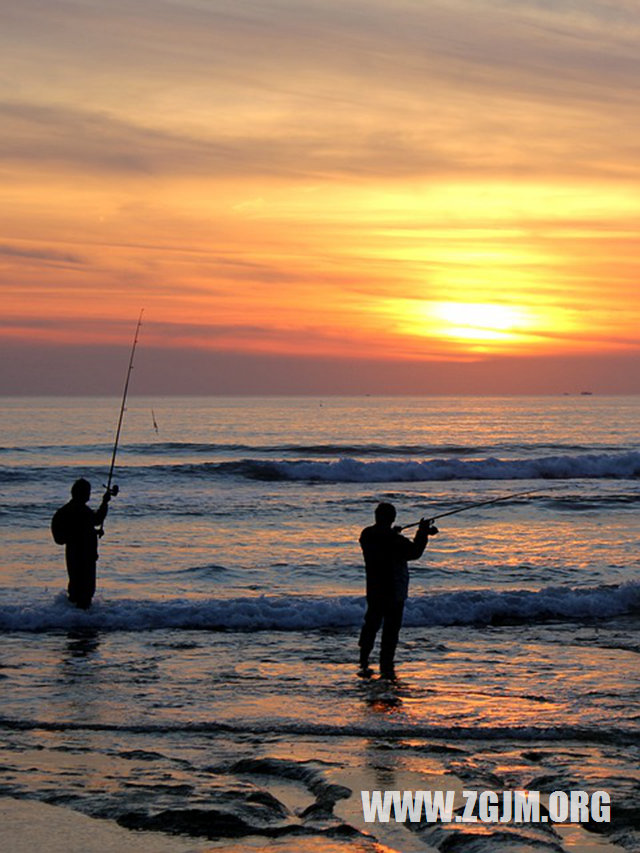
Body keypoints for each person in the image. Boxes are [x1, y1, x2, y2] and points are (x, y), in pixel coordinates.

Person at [358, 502, 436, 677]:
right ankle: (386, 664)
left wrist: (393, 532)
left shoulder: (367, 534)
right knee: (391, 631)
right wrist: (422, 532)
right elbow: (415, 552)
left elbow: (381, 539)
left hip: (374, 589)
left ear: (376, 517)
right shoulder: (395, 540)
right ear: (392, 519)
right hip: (394, 591)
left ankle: (363, 660)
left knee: (371, 625)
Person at [51, 478, 111, 609]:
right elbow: (97, 519)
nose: (89, 495)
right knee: (87, 590)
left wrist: (92, 532)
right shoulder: (82, 511)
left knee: (75, 587)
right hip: (86, 555)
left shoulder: (64, 511)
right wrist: (105, 502)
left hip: (72, 553)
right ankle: (82, 623)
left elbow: (60, 538)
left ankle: (73, 620)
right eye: (88, 492)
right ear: (82, 494)